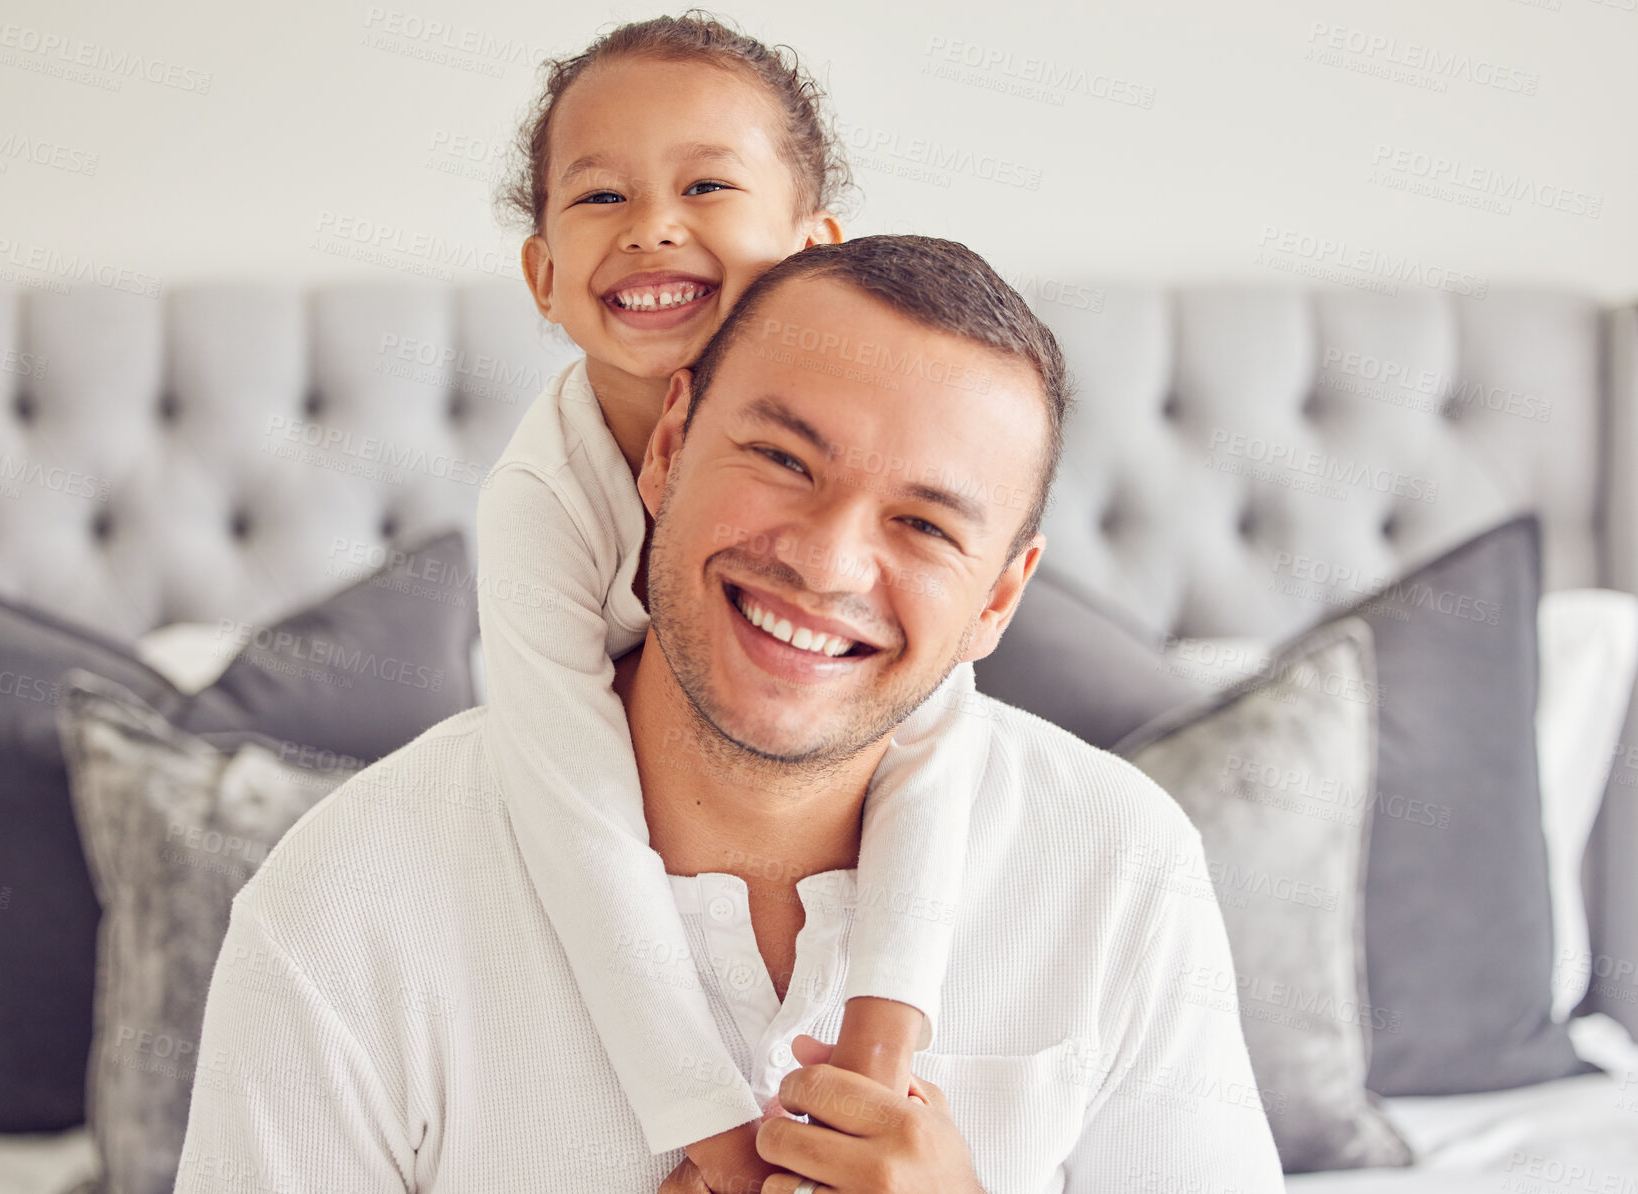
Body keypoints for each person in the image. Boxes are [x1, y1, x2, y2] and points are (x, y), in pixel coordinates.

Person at [173, 235, 1287, 1192]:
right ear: (667, 450)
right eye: (781, 458)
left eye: (926, 527)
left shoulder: (1122, 868)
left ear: (998, 596)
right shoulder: (346, 900)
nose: (826, 559)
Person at [476, 15, 982, 1188]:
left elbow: (939, 741)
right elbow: (575, 814)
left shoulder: (889, 450)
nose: (653, 225)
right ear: (544, 274)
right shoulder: (540, 500)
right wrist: (716, 1139)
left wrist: (876, 1052)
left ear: (815, 251)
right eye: (598, 198)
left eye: (707, 183)